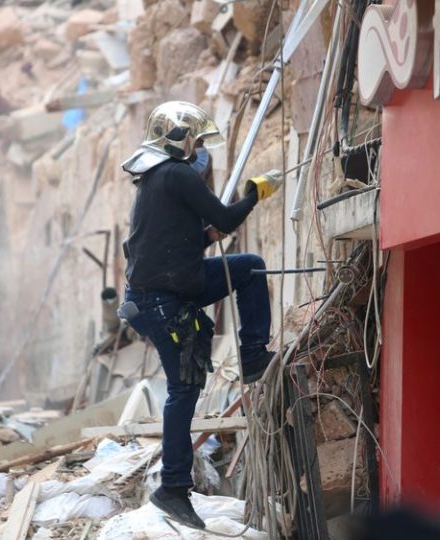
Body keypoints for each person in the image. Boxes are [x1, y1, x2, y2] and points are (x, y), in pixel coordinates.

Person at [118, 101, 282, 529]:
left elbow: (185, 241)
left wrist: (212, 232)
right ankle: (172, 488)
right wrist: (255, 194)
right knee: (184, 390)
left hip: (168, 291)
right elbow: (226, 216)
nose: (199, 153)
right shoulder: (176, 175)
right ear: (181, 139)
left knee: (247, 268)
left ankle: (251, 355)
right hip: (164, 300)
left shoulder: (156, 179)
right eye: (196, 141)